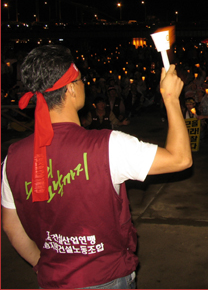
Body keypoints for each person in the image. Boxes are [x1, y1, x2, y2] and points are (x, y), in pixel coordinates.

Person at [1, 45, 192, 289]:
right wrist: (171, 98)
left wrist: (42, 264)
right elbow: (180, 158)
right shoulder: (108, 146)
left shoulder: (12, 158)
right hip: (106, 278)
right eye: (81, 79)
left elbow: (10, 225)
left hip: (52, 281)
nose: (85, 85)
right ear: (70, 88)